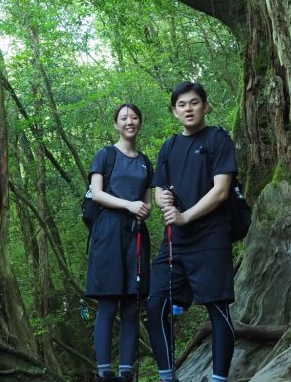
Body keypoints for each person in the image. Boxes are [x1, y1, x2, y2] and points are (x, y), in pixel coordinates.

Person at [146, 82, 237, 382]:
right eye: (182, 104)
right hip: (175, 242)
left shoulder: (218, 138)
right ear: (174, 111)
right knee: (156, 303)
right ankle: (166, 376)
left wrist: (185, 216)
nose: (188, 108)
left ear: (205, 106)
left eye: (194, 102)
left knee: (217, 307)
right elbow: (159, 189)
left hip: (211, 237)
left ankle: (219, 378)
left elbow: (221, 190)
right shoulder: (169, 146)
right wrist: (164, 200)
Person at [86, 103, 154, 381]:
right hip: (108, 230)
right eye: (124, 118)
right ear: (116, 124)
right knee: (108, 302)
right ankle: (105, 372)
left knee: (130, 303)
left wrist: (143, 208)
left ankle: (126, 372)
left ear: (139, 123)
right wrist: (128, 205)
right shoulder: (105, 155)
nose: (129, 122)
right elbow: (97, 193)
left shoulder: (145, 161)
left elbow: (148, 201)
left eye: (134, 117)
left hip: (135, 233)